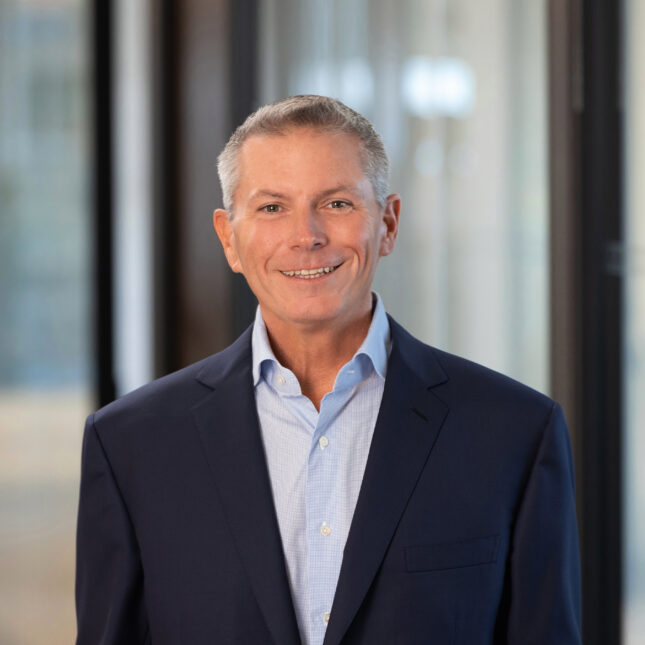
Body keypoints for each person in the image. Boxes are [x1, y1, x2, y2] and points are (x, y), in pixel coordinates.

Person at [75, 95, 581, 645]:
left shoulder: (514, 434)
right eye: (272, 208)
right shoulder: (131, 444)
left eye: (337, 204)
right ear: (229, 238)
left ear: (387, 224)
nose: (306, 235)